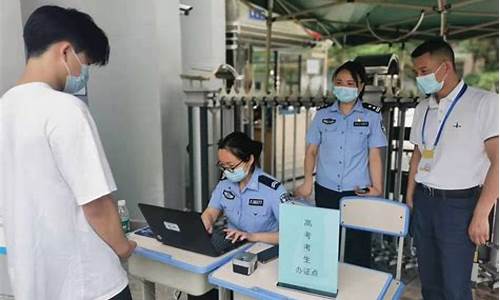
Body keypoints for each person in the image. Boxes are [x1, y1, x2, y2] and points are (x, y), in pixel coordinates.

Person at [0, 6, 136, 300]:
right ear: (66, 52)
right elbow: (96, 204)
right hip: (89, 284)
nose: (83, 74)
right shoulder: (66, 109)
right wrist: (124, 247)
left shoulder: (4, 108)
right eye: (84, 63)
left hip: (32, 281)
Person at [406, 38, 498, 300]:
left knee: (455, 286)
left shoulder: (484, 103)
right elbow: (418, 152)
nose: (419, 77)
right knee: (430, 282)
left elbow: (498, 161)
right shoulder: (424, 107)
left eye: (423, 71)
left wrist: (482, 213)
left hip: (459, 206)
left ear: (445, 67)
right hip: (425, 201)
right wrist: (410, 194)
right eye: (416, 72)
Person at [295, 60, 387, 267]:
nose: (344, 87)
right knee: (328, 242)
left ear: (361, 86)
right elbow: (311, 151)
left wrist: (378, 188)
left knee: (358, 245)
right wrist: (307, 182)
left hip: (358, 191)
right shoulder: (322, 114)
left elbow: (374, 155)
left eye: (350, 83)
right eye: (339, 82)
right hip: (326, 189)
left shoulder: (372, 115)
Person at [201, 132, 289, 245]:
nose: (227, 171)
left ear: (250, 160)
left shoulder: (272, 190)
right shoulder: (224, 183)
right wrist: (206, 222)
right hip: (232, 245)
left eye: (231, 166)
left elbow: (291, 234)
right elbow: (211, 211)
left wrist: (252, 236)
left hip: (263, 248)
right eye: (223, 166)